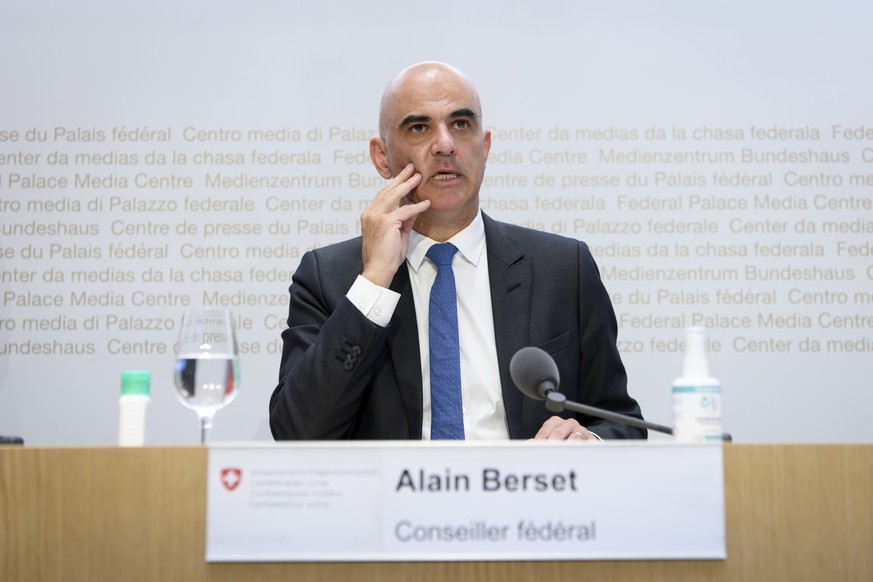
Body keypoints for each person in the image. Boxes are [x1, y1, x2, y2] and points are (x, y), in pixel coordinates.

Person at [269, 61, 646, 442]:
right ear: (381, 157)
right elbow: (298, 434)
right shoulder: (328, 277)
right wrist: (374, 283)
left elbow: (621, 421)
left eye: (461, 124)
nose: (446, 145)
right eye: (419, 127)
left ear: (484, 147)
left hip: (525, 498)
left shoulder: (564, 268)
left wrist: (588, 441)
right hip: (395, 500)